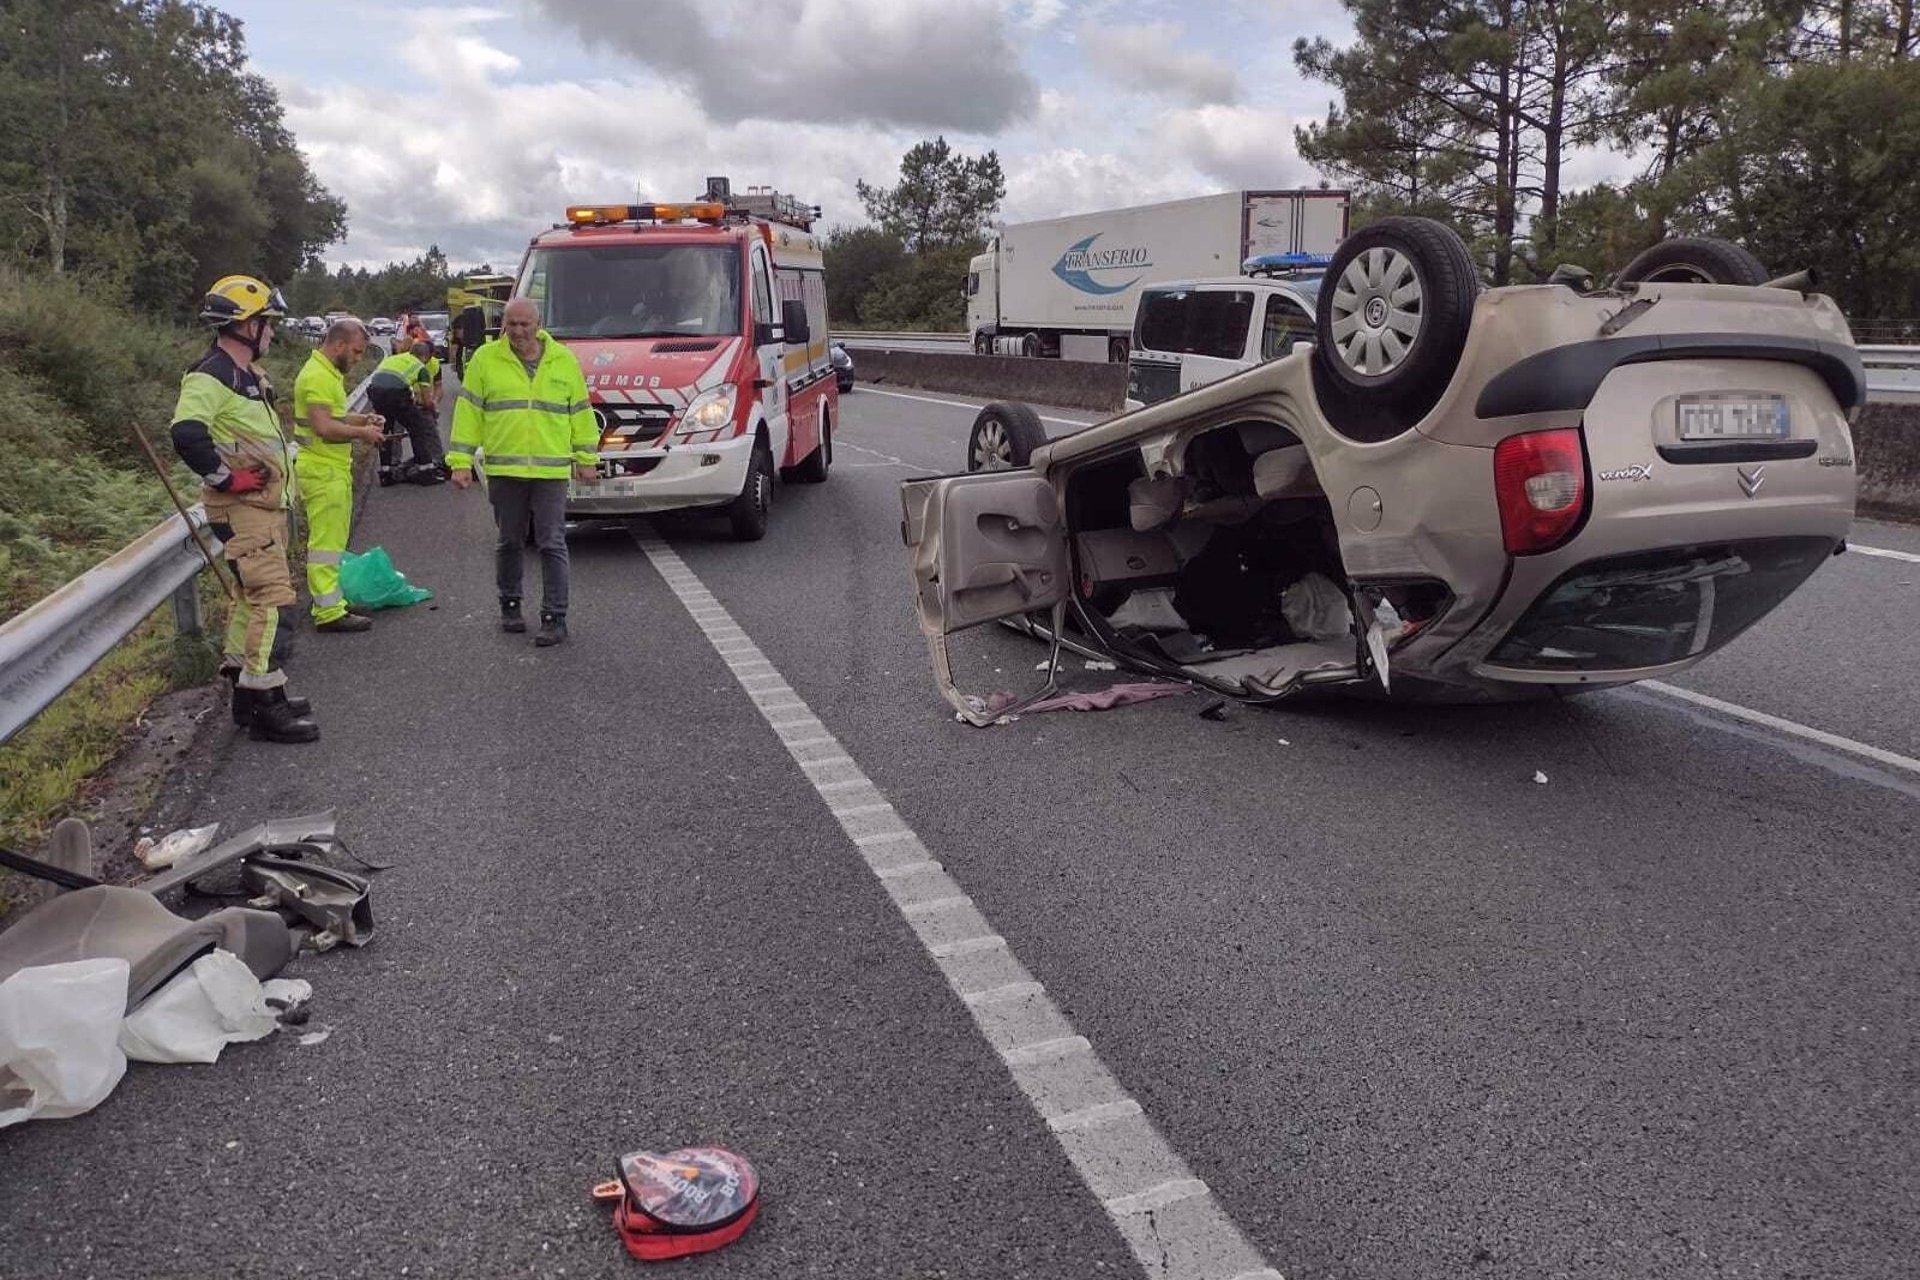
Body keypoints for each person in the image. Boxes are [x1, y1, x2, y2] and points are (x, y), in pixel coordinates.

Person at [168, 275, 318, 744]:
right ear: (243, 326)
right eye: (266, 323)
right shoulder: (210, 374)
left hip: (262, 510)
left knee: (247, 604)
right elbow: (186, 433)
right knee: (274, 604)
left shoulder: (247, 375)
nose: (271, 332)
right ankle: (266, 705)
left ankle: (244, 695)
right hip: (244, 510)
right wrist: (227, 478)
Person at [447, 297, 595, 646]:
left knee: (552, 542)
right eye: (511, 324)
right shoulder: (485, 359)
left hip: (551, 470)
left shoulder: (563, 361)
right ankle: (510, 605)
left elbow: (581, 412)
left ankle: (555, 617)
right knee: (509, 541)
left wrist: (587, 457)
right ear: (503, 325)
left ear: (539, 324)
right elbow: (469, 412)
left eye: (524, 324)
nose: (517, 332)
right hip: (505, 468)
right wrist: (460, 461)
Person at [293, 319, 387, 633]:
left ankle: (331, 601)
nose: (359, 359)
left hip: (329, 468)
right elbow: (324, 427)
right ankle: (329, 611)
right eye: (357, 352)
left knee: (331, 542)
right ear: (339, 345)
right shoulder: (318, 376)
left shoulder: (325, 372)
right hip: (322, 471)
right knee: (325, 544)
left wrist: (362, 418)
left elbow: (333, 417)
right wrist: (362, 432)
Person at [368, 339, 446, 484]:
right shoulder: (420, 367)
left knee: (387, 430)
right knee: (418, 427)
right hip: (396, 394)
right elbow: (427, 401)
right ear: (426, 356)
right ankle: (425, 471)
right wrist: (433, 410)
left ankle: (386, 473)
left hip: (375, 391)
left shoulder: (395, 358)